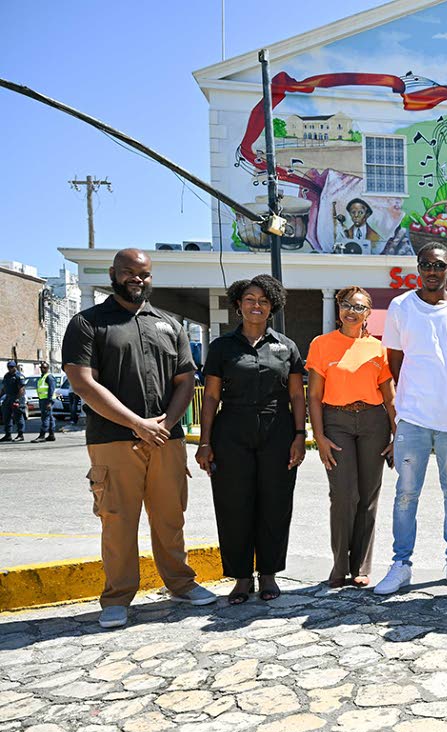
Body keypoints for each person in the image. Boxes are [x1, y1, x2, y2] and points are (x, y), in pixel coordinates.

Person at [62, 248, 217, 628]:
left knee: (170, 516)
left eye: (144, 274)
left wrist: (163, 424)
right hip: (112, 440)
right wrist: (136, 423)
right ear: (114, 274)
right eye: (129, 272)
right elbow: (83, 381)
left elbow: (186, 380)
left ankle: (180, 583)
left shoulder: (168, 324)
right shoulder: (88, 323)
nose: (137, 279)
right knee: (118, 521)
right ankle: (117, 597)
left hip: (167, 438)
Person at [375, 242, 447, 595]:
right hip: (413, 418)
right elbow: (395, 358)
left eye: (439, 265)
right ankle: (401, 564)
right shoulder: (401, 306)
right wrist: (408, 399)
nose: (432, 271)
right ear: (417, 268)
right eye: (426, 265)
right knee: (406, 493)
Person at [196, 275, 306, 604]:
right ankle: (241, 578)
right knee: (234, 504)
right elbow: (212, 397)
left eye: (263, 301)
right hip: (231, 431)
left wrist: (300, 435)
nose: (256, 305)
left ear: (273, 307)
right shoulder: (221, 348)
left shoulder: (286, 347)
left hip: (278, 430)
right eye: (249, 299)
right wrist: (205, 440)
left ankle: (269, 574)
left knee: (275, 502)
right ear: (238, 305)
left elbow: (297, 397)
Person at [307, 287, 395, 589]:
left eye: (359, 307)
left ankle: (361, 566)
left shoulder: (378, 348)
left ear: (369, 313)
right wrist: (319, 436)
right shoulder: (321, 344)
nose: (351, 311)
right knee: (343, 495)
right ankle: (339, 566)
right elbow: (314, 396)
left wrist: (397, 434)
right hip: (337, 421)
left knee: (368, 497)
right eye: (345, 305)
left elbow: (389, 396)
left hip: (374, 421)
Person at [0, 361, 26, 442]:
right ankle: (8, 435)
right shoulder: (7, 376)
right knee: (6, 416)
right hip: (8, 397)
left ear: (15, 367)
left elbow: (21, 389)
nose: (10, 368)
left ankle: (20, 434)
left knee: (18, 416)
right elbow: (4, 388)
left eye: (11, 367)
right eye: (9, 367)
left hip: (17, 397)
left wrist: (17, 400)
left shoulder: (19, 376)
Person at [32, 362, 57, 442]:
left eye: (44, 368)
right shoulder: (42, 377)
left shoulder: (49, 377)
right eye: (41, 368)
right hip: (43, 399)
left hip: (47, 400)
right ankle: (51, 435)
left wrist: (49, 402)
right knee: (49, 417)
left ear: (47, 368)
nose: (42, 369)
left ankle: (42, 436)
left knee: (45, 418)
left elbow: (51, 390)